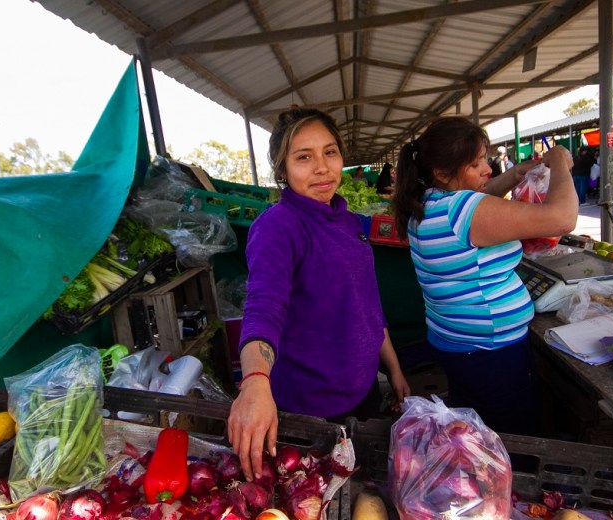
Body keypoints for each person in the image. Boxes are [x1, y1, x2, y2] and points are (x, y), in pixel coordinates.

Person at [227, 107, 410, 481]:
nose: (322, 167)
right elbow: (263, 307)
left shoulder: (346, 221)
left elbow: (367, 306)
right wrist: (255, 381)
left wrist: (393, 369)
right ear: (282, 170)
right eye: (304, 157)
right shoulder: (278, 227)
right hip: (308, 413)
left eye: (330, 152)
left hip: (362, 394)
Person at [391, 116, 577, 436]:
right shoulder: (462, 209)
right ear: (441, 173)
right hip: (490, 351)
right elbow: (562, 219)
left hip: (456, 343)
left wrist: (512, 176)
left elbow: (481, 194)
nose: (486, 169)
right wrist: (560, 164)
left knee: (476, 426)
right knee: (509, 435)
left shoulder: (427, 204)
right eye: (476, 163)